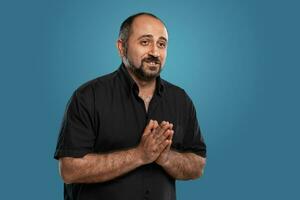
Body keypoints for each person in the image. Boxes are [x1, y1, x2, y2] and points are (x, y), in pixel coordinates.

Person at [54, 12, 207, 200]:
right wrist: (140, 155)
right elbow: (69, 170)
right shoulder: (88, 97)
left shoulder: (181, 100)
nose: (154, 52)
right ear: (121, 47)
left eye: (161, 44)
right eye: (145, 42)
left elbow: (198, 164)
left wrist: (166, 158)